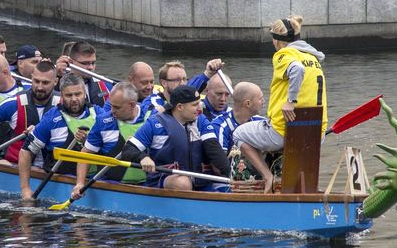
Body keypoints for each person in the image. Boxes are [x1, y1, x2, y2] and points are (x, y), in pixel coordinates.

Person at [233, 15, 327, 190]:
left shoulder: (283, 54)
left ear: (277, 40)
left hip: (285, 131)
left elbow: (296, 69)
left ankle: (267, 177)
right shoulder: (312, 59)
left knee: (238, 134)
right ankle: (303, 188)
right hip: (315, 133)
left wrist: (290, 101)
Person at [120, 85, 230, 191]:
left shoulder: (201, 121)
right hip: (165, 178)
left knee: (231, 184)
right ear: (180, 107)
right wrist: (143, 158)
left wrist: (228, 173)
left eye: (199, 104)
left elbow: (213, 148)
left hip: (200, 179)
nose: (199, 109)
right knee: (183, 183)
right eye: (195, 105)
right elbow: (129, 149)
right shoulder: (154, 124)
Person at [19, 73, 96, 199]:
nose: (74, 99)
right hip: (59, 178)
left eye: (78, 94)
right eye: (69, 95)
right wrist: (26, 189)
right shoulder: (51, 119)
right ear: (61, 96)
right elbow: (26, 152)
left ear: (85, 94)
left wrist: (88, 141)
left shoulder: (99, 115)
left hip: (92, 180)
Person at [70, 82, 149, 200]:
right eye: (111, 105)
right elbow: (85, 155)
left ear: (132, 105)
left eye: (117, 107)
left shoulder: (151, 118)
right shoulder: (103, 122)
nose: (112, 111)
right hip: (112, 185)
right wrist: (80, 183)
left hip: (148, 185)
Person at [210, 82, 265, 152]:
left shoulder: (260, 122)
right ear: (248, 103)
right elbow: (219, 161)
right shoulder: (219, 127)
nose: (263, 101)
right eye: (260, 98)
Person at [55, 40, 112, 107]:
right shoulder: (57, 82)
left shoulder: (104, 84)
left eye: (93, 63)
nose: (90, 67)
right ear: (71, 62)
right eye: (85, 63)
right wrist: (58, 75)